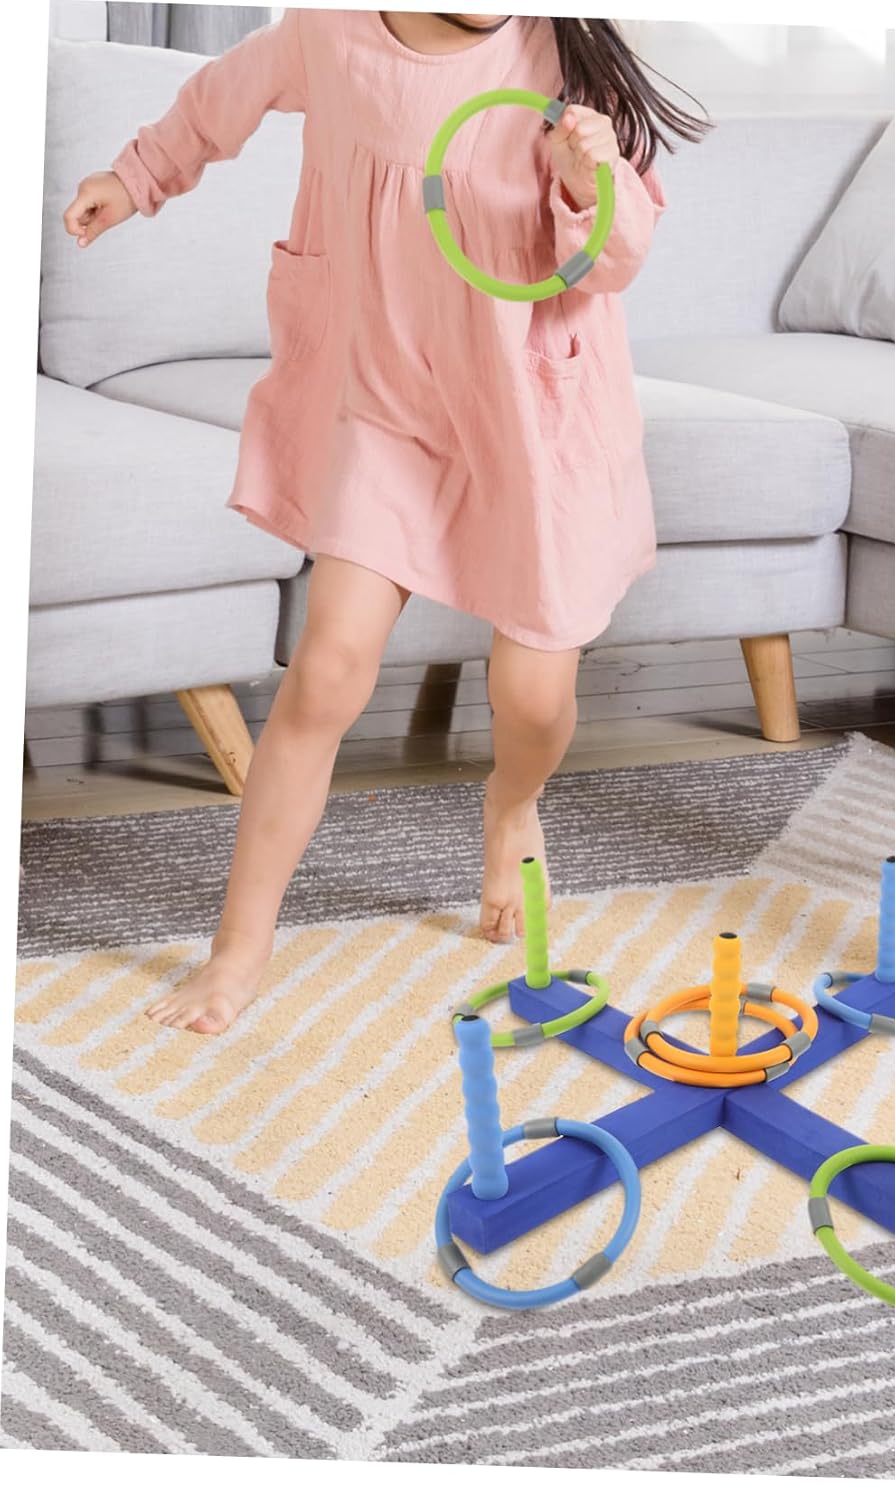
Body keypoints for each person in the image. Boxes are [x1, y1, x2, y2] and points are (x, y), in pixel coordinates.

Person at [62, 11, 708, 1034]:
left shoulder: (565, 62)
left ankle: (512, 805)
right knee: (326, 669)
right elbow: (221, 100)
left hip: (531, 416)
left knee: (534, 698)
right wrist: (135, 177)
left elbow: (612, 263)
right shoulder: (330, 29)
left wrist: (592, 181)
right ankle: (237, 951)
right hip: (385, 402)